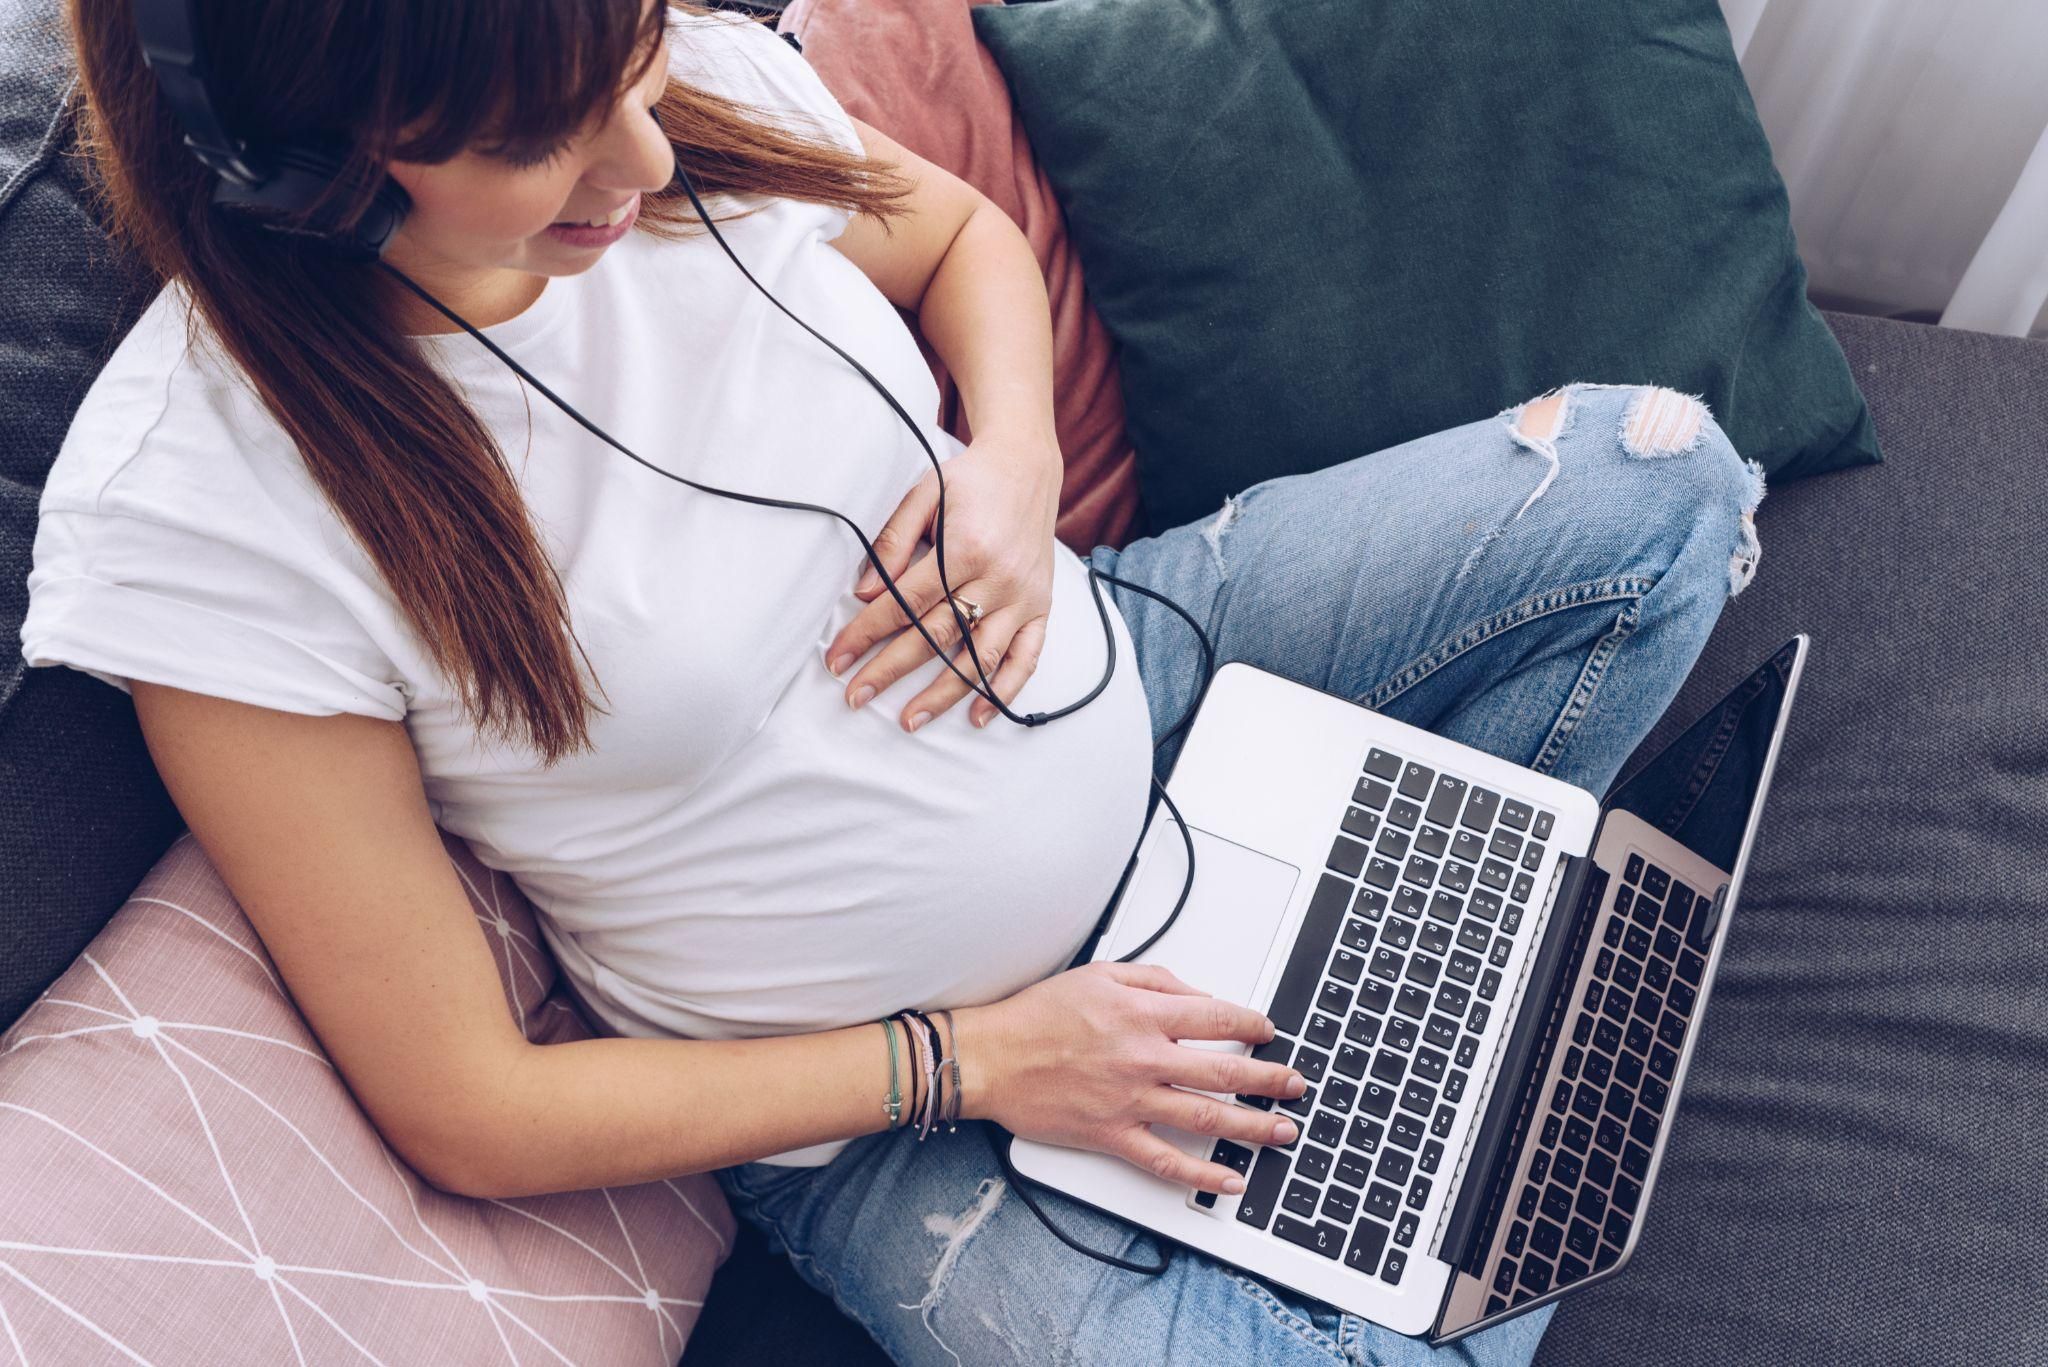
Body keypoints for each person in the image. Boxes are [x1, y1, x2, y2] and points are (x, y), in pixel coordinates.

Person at [26, 1, 1767, 1363]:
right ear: (301, 160)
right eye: (545, 139)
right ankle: (1460, 1032)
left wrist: (1007, 466)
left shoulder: (675, 92)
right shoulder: (213, 513)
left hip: (1142, 664)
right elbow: (470, 1106)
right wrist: (985, 1063)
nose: (640, 159)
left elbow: (955, 246)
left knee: (1663, 484)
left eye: (633, 54)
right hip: (907, 1103)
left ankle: (1400, 967)